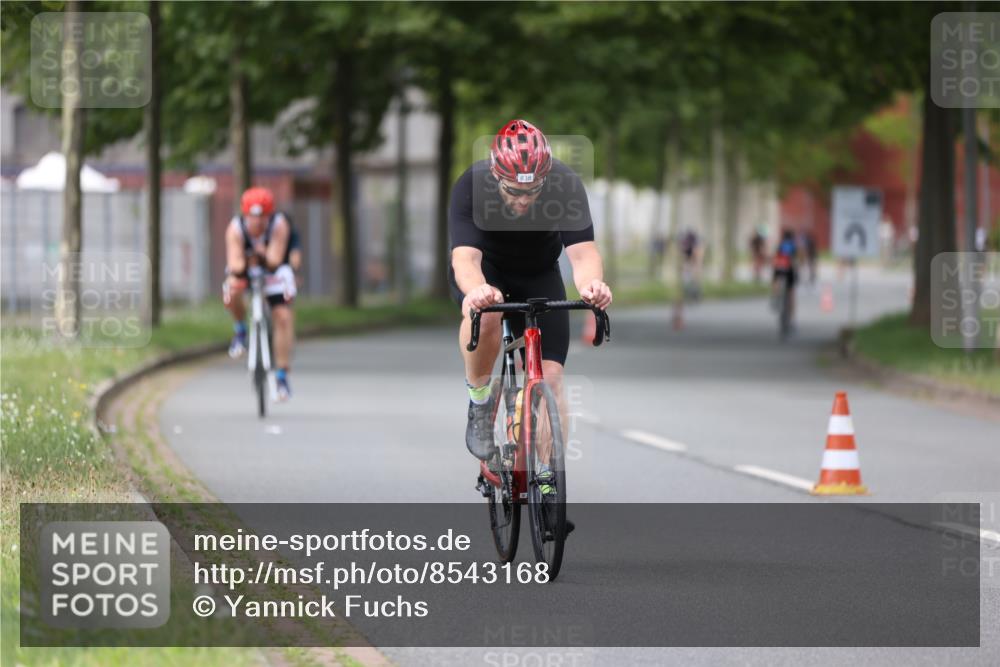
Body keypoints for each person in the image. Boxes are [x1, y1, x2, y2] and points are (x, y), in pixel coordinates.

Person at [449, 119, 612, 504]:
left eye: (532, 191)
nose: (523, 200)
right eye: (513, 191)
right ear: (495, 174)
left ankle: (547, 481)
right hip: (487, 270)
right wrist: (477, 292)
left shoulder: (564, 183)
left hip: (540, 273)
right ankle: (480, 402)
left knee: (551, 379)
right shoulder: (472, 186)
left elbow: (584, 254)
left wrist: (591, 286)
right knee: (485, 316)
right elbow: (464, 259)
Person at [223, 187, 297, 401]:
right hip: (246, 269)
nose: (257, 223)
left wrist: (260, 256)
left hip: (273, 272)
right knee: (231, 289)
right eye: (253, 217)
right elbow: (235, 264)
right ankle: (240, 331)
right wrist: (249, 263)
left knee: (283, 316)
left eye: (262, 217)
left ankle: (282, 375)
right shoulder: (235, 229)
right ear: (245, 215)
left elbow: (274, 260)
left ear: (270, 215)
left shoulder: (279, 224)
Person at [771, 228, 800, 323]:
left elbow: (775, 257)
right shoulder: (793, 245)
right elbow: (796, 260)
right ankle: (792, 318)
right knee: (791, 292)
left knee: (776, 281)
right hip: (790, 269)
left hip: (779, 267)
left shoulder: (780, 245)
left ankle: (775, 296)